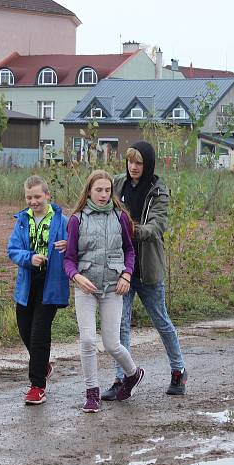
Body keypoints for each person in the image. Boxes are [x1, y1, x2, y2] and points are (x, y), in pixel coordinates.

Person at [102, 141, 188, 401]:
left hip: (147, 270)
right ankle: (122, 379)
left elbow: (156, 227)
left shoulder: (158, 191)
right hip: (122, 269)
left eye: (139, 163)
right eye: (130, 162)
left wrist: (129, 229)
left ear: (147, 164)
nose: (133, 167)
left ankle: (178, 370)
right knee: (121, 326)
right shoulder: (117, 184)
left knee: (161, 321)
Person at [64, 170, 144, 413]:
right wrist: (76, 276)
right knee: (88, 340)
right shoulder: (77, 219)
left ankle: (133, 374)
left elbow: (130, 251)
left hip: (113, 288)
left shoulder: (120, 218)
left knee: (111, 343)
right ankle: (92, 393)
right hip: (86, 288)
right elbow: (68, 259)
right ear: (89, 191)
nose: (103, 194)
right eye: (98, 190)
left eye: (107, 190)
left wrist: (127, 274)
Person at [7, 176, 69, 405]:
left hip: (51, 283)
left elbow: (76, 243)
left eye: (37, 197)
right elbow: (12, 249)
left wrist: (68, 244)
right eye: (29, 197)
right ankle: (43, 365)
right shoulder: (22, 220)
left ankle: (37, 386)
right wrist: (29, 258)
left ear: (47, 196)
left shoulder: (62, 219)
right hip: (27, 281)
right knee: (25, 329)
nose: (33, 201)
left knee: (40, 333)